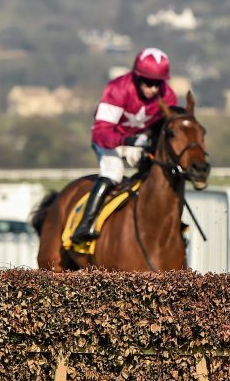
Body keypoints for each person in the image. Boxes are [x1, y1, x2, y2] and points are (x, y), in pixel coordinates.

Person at [71, 48, 178, 243]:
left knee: (161, 176)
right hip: (109, 141)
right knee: (114, 173)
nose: (153, 88)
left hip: (139, 143)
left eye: (158, 83)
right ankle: (85, 224)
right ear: (137, 77)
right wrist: (127, 140)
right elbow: (100, 131)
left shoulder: (167, 96)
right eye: (148, 82)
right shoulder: (118, 89)